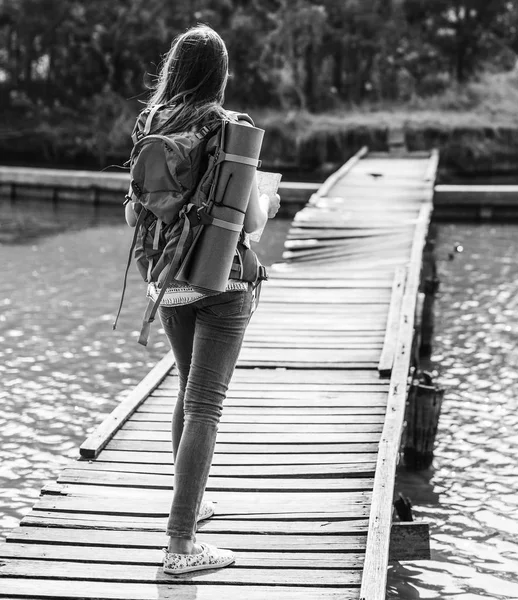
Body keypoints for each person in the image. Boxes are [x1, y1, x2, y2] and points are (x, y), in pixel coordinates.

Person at [125, 24, 279, 575]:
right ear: (220, 74)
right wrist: (267, 199)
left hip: (167, 279)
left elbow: (133, 209)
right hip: (223, 281)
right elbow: (251, 224)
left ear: (174, 69)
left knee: (188, 393)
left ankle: (189, 504)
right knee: (205, 407)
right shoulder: (228, 129)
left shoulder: (152, 123)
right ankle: (181, 546)